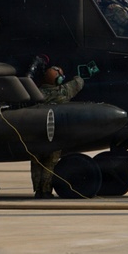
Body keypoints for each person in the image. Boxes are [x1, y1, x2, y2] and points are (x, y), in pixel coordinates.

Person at [31, 65, 85, 198]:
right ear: (58, 80)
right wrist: (77, 73)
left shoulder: (37, 93)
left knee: (37, 162)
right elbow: (78, 83)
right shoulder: (62, 91)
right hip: (54, 134)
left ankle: (38, 191)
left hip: (37, 133)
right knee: (50, 163)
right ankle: (46, 191)